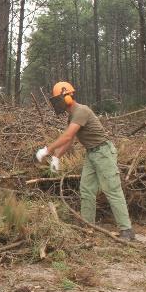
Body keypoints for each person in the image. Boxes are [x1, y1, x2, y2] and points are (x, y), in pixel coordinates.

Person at [35, 82, 136, 240]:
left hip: (103, 152)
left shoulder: (81, 111)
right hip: (91, 153)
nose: (57, 103)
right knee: (87, 190)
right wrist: (56, 156)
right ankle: (87, 226)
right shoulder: (73, 115)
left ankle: (127, 230)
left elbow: (67, 136)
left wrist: (47, 150)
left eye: (58, 99)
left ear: (67, 96)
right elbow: (70, 140)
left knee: (112, 189)